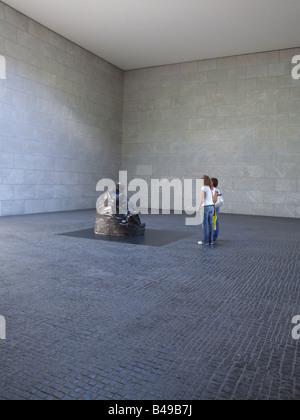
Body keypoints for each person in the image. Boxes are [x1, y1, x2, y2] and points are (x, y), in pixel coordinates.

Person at [198, 175, 217, 246]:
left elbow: (202, 198)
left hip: (205, 207)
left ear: (204, 180)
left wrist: (198, 206)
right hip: (211, 207)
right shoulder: (211, 188)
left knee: (205, 225)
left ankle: (204, 241)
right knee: (210, 224)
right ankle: (210, 241)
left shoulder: (204, 187)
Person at [211, 178, 222, 242]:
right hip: (216, 206)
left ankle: (213, 236)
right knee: (215, 221)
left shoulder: (214, 190)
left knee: (213, 221)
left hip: (213, 206)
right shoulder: (217, 189)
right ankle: (215, 236)